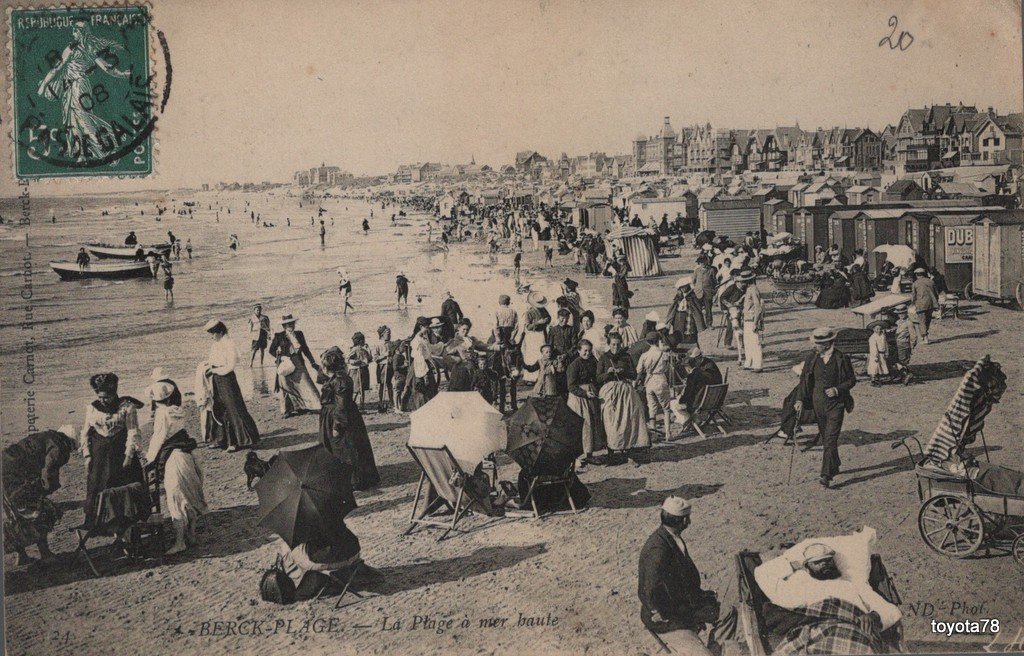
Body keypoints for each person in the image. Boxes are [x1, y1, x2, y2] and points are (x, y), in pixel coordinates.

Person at [638, 497, 725, 656]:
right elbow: (649, 589)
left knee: (728, 612)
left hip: (684, 607)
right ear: (684, 520)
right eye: (688, 518)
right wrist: (659, 612)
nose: (690, 522)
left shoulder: (670, 537)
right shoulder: (658, 549)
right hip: (668, 619)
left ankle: (716, 650)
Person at [145, 378, 207, 555]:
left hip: (174, 459)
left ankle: (180, 542)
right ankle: (191, 535)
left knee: (176, 498)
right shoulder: (178, 410)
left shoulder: (162, 413)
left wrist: (149, 459)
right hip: (188, 454)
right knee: (191, 494)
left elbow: (159, 437)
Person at [2, 426, 77, 565]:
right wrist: (45, 491)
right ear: (70, 442)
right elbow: (48, 471)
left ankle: (22, 556)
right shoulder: (59, 445)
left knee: (15, 516)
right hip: (16, 480)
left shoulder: (46, 436)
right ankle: (46, 554)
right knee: (44, 512)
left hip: (5, 473)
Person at [79, 373, 146, 527]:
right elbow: (85, 432)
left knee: (123, 485)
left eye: (107, 397)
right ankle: (98, 523)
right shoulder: (92, 408)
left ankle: (124, 521)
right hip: (99, 455)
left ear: (114, 393)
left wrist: (129, 456)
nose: (103, 400)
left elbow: (133, 432)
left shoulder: (127, 407)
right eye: (100, 397)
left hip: (120, 453)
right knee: (97, 484)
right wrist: (87, 455)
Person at [794, 327, 856, 488]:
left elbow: (851, 380)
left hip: (837, 404)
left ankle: (826, 475)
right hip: (817, 404)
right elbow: (803, 381)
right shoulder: (811, 358)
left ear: (828, 343)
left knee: (830, 439)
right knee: (826, 438)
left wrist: (837, 389)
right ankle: (834, 464)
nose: (816, 346)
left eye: (819, 344)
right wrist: (800, 399)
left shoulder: (842, 358)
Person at [317, 347, 380, 490]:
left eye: (324, 366)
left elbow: (342, 406)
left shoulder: (340, 381)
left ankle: (352, 480)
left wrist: (337, 426)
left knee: (345, 448)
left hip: (339, 417)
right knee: (342, 447)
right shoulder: (337, 378)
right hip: (335, 415)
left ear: (328, 367)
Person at [200, 320, 260, 451]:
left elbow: (230, 366)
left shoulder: (229, 344)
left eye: (213, 333)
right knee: (219, 407)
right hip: (216, 379)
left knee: (232, 408)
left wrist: (214, 370)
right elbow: (213, 362)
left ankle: (239, 440)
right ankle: (222, 440)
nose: (212, 336)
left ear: (220, 332)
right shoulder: (216, 344)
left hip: (227, 379)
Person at [597, 332, 649, 462]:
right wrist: (607, 374)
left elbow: (633, 375)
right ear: (609, 344)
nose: (615, 347)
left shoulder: (626, 356)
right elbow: (598, 378)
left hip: (625, 390)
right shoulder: (603, 358)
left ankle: (629, 450)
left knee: (630, 418)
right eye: (613, 344)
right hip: (609, 391)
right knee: (610, 420)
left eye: (618, 344)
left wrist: (623, 371)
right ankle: (611, 452)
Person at [269, 314, 322, 418]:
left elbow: (305, 349)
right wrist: (279, 356)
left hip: (298, 361)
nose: (291, 326)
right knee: (286, 387)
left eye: (292, 323)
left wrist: (312, 362)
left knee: (306, 384)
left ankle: (309, 406)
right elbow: (271, 350)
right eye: (288, 324)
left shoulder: (299, 334)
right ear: (284, 326)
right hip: (285, 364)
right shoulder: (278, 336)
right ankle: (286, 411)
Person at [566, 339, 606, 469]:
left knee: (592, 423)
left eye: (589, 350)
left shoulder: (592, 361)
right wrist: (584, 393)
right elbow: (571, 386)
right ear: (578, 351)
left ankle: (589, 454)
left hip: (591, 395)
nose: (587, 353)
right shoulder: (574, 365)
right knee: (581, 425)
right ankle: (576, 456)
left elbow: (596, 377)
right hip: (578, 398)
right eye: (584, 351)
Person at [669, 347, 723, 429]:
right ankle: (694, 419)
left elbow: (688, 392)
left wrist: (681, 399)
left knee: (673, 403)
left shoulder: (695, 373)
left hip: (700, 403)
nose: (690, 363)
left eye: (691, 360)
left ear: (698, 359)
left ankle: (687, 421)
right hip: (715, 400)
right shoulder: (711, 364)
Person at [637, 333, 674, 439]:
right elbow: (667, 369)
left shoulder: (644, 355)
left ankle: (654, 434)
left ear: (648, 342)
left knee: (652, 408)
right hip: (661, 379)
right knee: (666, 408)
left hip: (649, 381)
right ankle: (668, 433)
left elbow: (639, 371)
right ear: (658, 341)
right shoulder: (664, 354)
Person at [736, 269, 764, 372]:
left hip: (752, 320)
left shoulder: (753, 290)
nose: (741, 283)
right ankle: (749, 362)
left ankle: (758, 364)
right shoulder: (748, 290)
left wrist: (756, 322)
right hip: (747, 319)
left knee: (755, 342)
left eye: (743, 281)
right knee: (747, 342)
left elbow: (758, 307)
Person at [522, 292, 550, 382]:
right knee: (531, 354)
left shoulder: (543, 310)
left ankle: (541, 375)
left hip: (542, 334)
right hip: (533, 336)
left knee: (541, 353)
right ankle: (530, 378)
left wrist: (547, 320)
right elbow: (528, 327)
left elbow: (549, 317)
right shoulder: (529, 312)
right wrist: (538, 323)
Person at [910, 267, 938, 344]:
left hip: (920, 305)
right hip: (930, 304)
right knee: (928, 320)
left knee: (921, 321)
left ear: (916, 275)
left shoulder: (915, 283)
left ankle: (925, 338)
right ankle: (924, 336)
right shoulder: (931, 282)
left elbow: (913, 296)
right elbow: (936, 293)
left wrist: (912, 304)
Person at [347, 332, 372, 411]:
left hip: (363, 370)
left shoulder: (364, 350)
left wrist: (368, 349)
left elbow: (369, 359)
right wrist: (355, 362)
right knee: (356, 389)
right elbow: (348, 360)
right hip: (356, 371)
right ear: (360, 341)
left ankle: (362, 405)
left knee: (362, 389)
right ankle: (352, 404)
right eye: (363, 340)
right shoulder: (354, 349)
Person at [893, 306, 915, 385]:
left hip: (904, 344)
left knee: (902, 361)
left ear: (906, 313)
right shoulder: (898, 322)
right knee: (898, 360)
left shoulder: (909, 323)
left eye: (902, 313)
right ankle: (903, 375)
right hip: (898, 343)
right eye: (899, 314)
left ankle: (907, 375)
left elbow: (913, 336)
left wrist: (911, 345)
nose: (901, 315)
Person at [693, 256, 716, 328]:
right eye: (701, 263)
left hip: (708, 292)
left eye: (704, 262)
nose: (703, 264)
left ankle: (709, 324)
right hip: (698, 292)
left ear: (707, 262)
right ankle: (700, 325)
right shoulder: (697, 270)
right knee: (698, 309)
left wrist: (713, 290)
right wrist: (695, 288)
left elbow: (714, 281)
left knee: (708, 309)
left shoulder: (711, 270)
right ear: (699, 263)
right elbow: (693, 281)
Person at [867, 321, 890, 385]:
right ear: (874, 329)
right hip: (876, 354)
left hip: (882, 353)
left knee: (880, 367)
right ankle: (873, 380)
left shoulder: (883, 336)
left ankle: (878, 379)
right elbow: (873, 348)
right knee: (874, 367)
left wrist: (886, 352)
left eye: (880, 329)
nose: (879, 330)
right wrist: (875, 356)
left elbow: (886, 344)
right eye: (877, 329)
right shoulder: (873, 337)